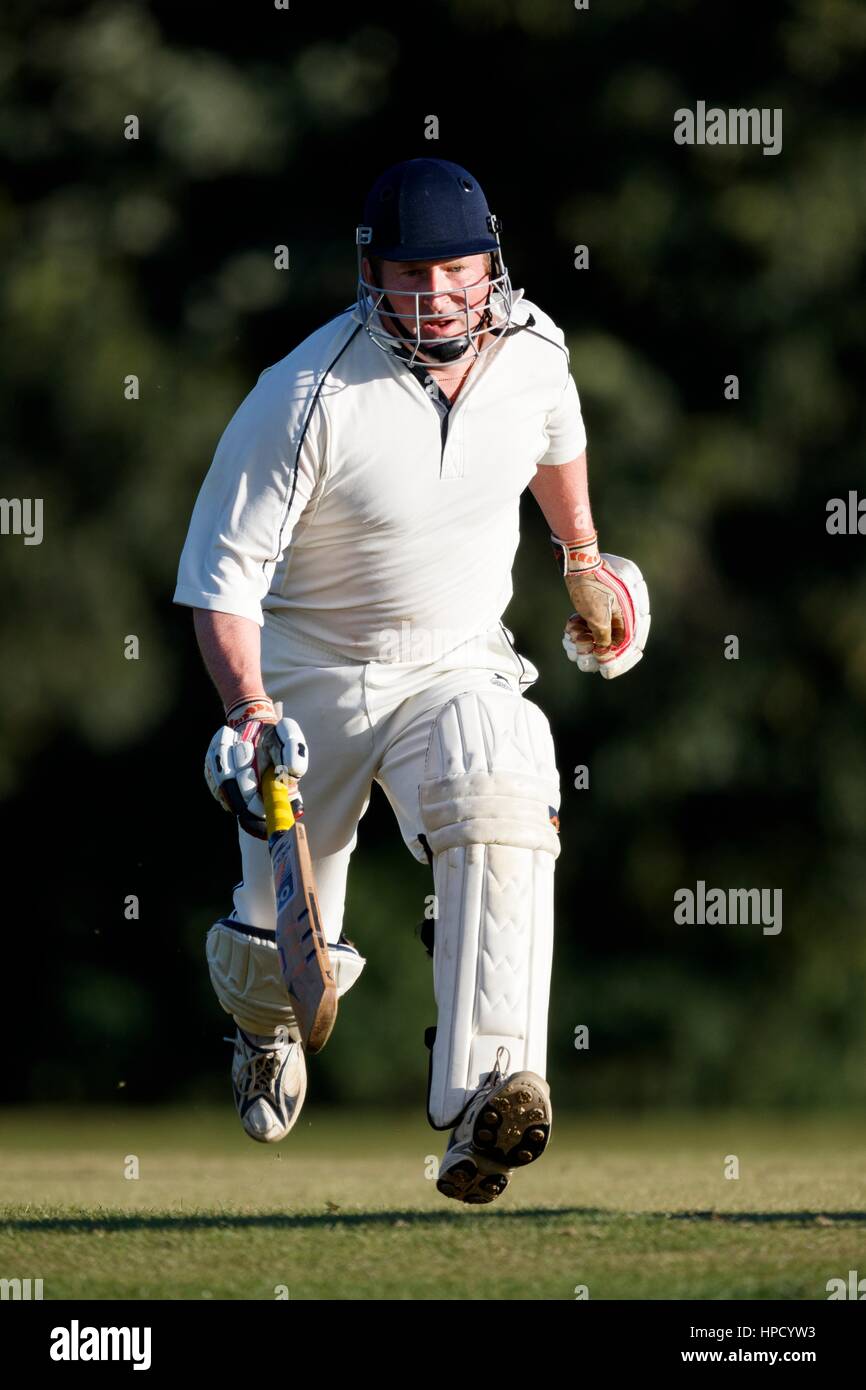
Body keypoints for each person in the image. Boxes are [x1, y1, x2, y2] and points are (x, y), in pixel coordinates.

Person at [173, 157, 650, 1205]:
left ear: (490, 264)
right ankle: (262, 1035)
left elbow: (553, 440)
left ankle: (489, 1101)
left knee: (505, 778)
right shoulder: (302, 395)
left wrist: (580, 555)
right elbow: (220, 579)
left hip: (455, 659)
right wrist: (248, 709)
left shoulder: (532, 351)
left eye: (454, 268)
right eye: (407, 270)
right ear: (368, 269)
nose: (433, 292)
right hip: (307, 679)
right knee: (275, 963)